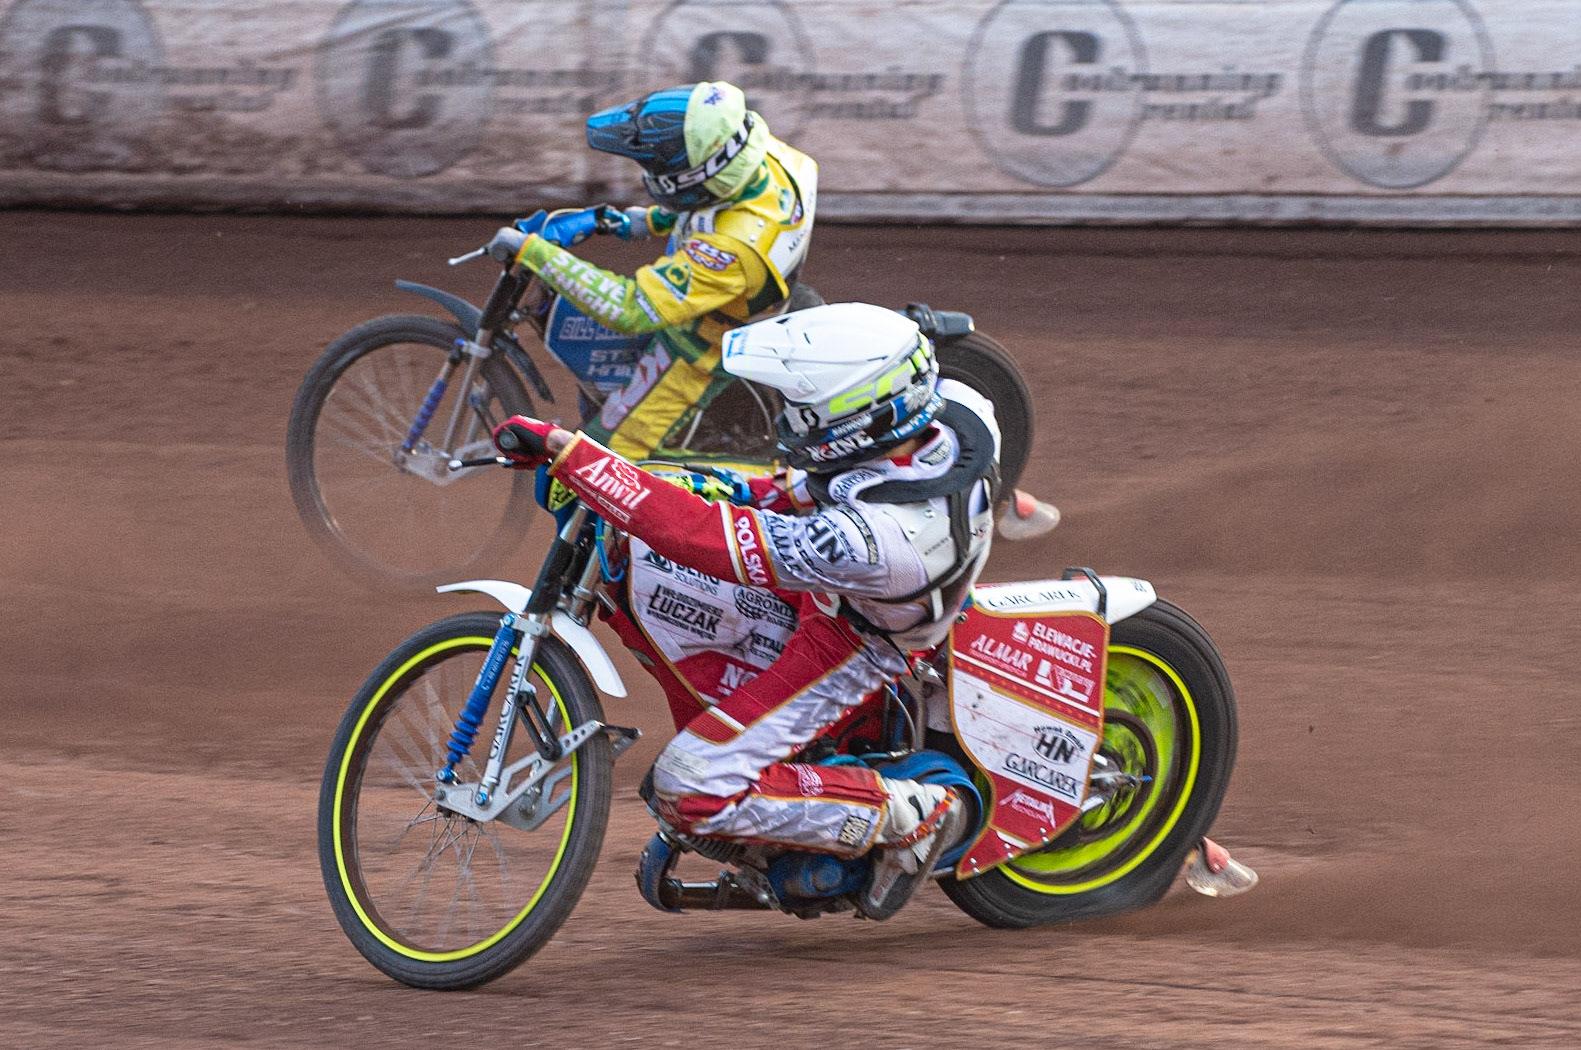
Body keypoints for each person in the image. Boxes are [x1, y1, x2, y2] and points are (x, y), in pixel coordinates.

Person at [491, 301, 994, 919]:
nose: (791, 421)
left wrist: (578, 456)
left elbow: (708, 539)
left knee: (687, 785)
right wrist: (715, 482)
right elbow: (806, 485)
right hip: (863, 586)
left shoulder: (873, 541)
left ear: (867, 417)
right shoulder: (959, 412)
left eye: (809, 414)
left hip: (855, 644)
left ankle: (910, 814)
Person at [484, 80, 1060, 540]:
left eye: (662, 170)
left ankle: (607, 563)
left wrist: (537, 253)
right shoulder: (767, 154)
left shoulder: (734, 246)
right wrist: (621, 220)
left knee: (602, 459)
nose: (652, 176)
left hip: (701, 346)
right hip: (772, 298)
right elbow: (695, 209)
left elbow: (632, 307)